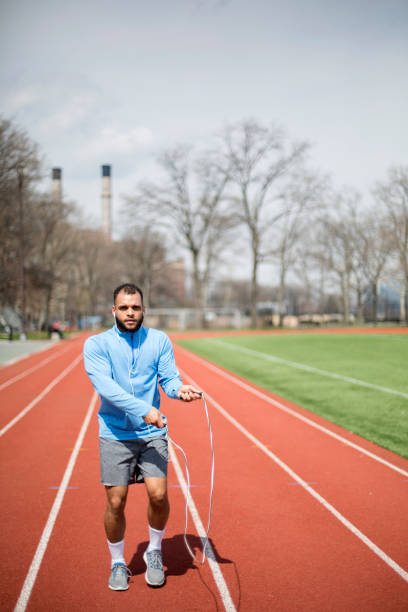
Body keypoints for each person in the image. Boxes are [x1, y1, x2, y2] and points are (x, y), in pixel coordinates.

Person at [83, 283, 201, 591]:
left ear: (143, 309)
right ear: (114, 311)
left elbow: (169, 377)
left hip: (152, 433)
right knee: (116, 501)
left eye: (135, 307)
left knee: (159, 496)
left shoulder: (159, 340)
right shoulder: (96, 345)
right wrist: (144, 409)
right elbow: (107, 388)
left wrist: (179, 390)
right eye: (124, 307)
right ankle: (118, 562)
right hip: (115, 433)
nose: (130, 312)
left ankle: (154, 551)